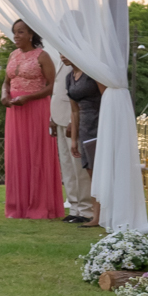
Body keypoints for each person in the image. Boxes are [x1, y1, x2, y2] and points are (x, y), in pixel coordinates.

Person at [1, 19, 63, 221]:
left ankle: (39, 205)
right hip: (15, 111)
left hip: (36, 108)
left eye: (20, 32)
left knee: (36, 153)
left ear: (31, 34)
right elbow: (6, 81)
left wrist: (28, 97)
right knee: (16, 154)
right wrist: (4, 94)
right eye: (14, 32)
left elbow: (52, 86)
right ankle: (16, 206)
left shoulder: (42, 56)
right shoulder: (13, 55)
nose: (16, 36)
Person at [52, 56, 93, 223]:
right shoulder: (58, 60)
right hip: (58, 116)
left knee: (79, 166)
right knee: (67, 166)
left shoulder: (81, 64)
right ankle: (74, 205)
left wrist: (72, 122)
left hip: (75, 119)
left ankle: (86, 208)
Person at [65, 62, 103, 227]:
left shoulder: (92, 72)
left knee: (100, 170)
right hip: (84, 127)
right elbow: (74, 110)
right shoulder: (69, 78)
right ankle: (97, 215)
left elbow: (107, 97)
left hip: (99, 122)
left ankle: (101, 215)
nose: (62, 56)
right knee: (90, 171)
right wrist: (74, 139)